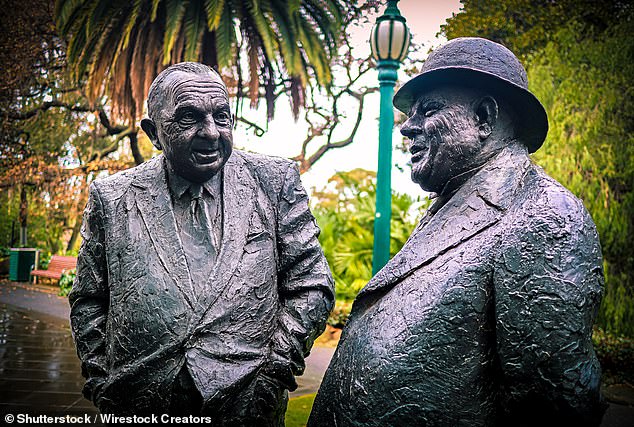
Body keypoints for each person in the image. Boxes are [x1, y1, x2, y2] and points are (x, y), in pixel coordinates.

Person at [308, 38, 604, 427]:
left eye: (429, 110)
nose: (408, 127)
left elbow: (557, 400)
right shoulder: (452, 203)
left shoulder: (544, 214)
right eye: (410, 113)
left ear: (484, 117)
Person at [69, 62, 334, 424]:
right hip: (139, 402)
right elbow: (89, 298)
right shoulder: (112, 197)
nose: (210, 132)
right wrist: (102, 381)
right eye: (189, 117)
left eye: (221, 116)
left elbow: (312, 283)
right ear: (154, 133)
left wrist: (275, 372)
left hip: (247, 402)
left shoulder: (275, 182)